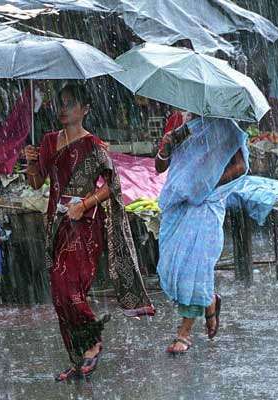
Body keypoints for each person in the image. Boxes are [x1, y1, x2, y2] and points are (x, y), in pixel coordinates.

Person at [23, 83, 154, 381]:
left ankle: (93, 341)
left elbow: (114, 186)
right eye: (61, 103)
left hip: (84, 227)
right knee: (59, 294)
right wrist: (31, 163)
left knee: (69, 288)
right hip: (56, 225)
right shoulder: (47, 142)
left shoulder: (94, 146)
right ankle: (76, 357)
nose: (63, 109)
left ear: (85, 110)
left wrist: (85, 203)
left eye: (70, 104)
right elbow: (35, 183)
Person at [155, 114, 247, 354]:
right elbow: (160, 167)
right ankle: (209, 300)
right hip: (178, 204)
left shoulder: (226, 126)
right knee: (169, 265)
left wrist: (207, 183)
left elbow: (241, 166)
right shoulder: (178, 123)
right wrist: (166, 147)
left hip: (206, 204)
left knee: (193, 267)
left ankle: (184, 333)